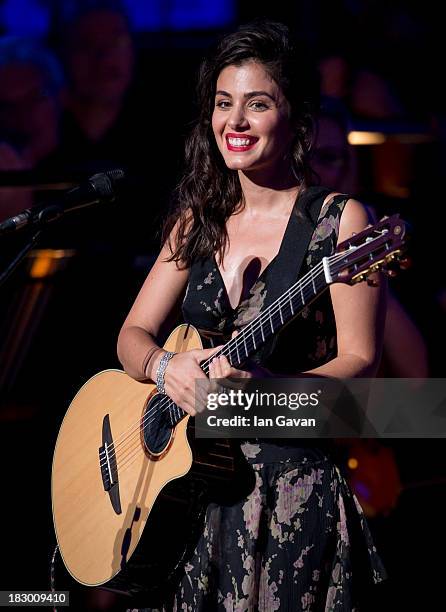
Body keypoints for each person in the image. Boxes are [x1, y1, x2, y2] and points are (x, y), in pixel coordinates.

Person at [118, 20, 387, 611]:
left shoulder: (341, 222)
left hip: (289, 496)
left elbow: (361, 366)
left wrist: (267, 396)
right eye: (223, 104)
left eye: (257, 104)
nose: (234, 123)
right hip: (185, 493)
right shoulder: (197, 219)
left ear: (296, 118)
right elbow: (130, 337)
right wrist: (166, 368)